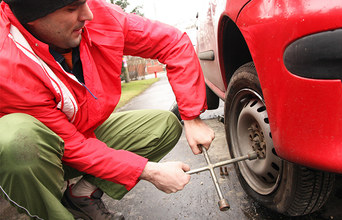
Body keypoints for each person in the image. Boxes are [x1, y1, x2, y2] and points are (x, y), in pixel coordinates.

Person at [0, 0, 215, 219]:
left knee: (164, 126)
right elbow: (72, 146)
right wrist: (150, 171)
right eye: (72, 8)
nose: (88, 14)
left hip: (79, 135)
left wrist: (192, 117)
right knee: (15, 141)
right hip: (36, 157)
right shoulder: (7, 65)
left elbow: (172, 42)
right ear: (33, 19)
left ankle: (82, 196)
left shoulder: (101, 17)